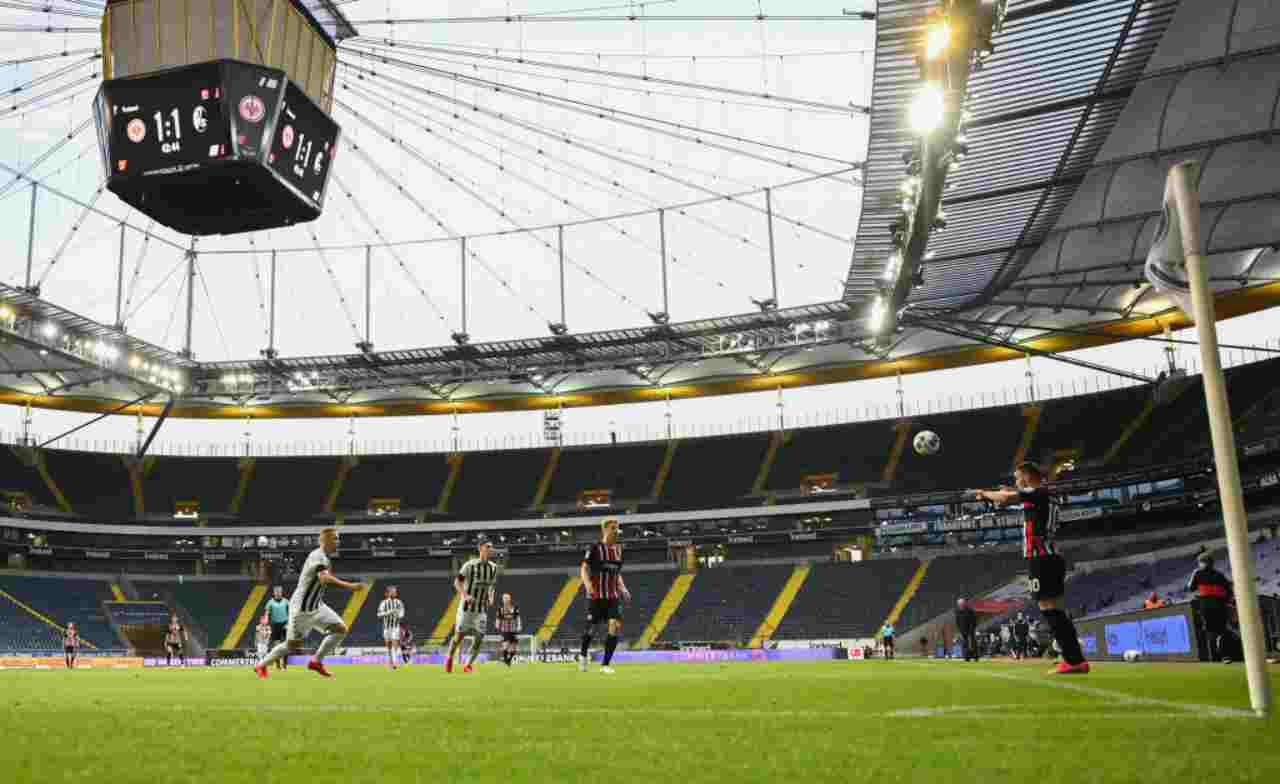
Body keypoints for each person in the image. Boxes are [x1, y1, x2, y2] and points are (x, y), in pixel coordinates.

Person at [971, 461, 1089, 675]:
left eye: (1017, 478)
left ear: (1026, 476)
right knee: (1055, 610)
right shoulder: (1043, 495)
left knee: (1049, 609)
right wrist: (1006, 494)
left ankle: (1073, 660)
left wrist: (985, 493)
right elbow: (1013, 498)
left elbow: (1007, 498)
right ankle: (1074, 657)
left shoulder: (1039, 492)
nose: (1016, 481)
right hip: (1050, 557)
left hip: (1041, 558)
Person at [254, 528, 364, 679]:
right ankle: (261, 665)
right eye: (335, 539)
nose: (337, 542)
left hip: (317, 606)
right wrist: (350, 586)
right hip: (301, 609)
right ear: (325, 540)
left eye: (338, 539)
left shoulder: (325, 558)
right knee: (292, 645)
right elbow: (324, 578)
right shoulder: (317, 556)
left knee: (340, 629)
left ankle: (316, 662)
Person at [579, 518, 630, 674]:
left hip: (612, 596)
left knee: (615, 625)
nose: (616, 532)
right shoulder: (594, 547)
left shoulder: (618, 550)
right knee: (591, 629)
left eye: (617, 528)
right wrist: (587, 584)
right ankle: (582, 655)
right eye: (614, 528)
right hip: (596, 595)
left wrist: (623, 588)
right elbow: (584, 568)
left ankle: (605, 665)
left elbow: (617, 573)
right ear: (605, 530)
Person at [446, 540, 501, 673]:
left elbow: (492, 586)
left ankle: (468, 665)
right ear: (480, 548)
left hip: (481, 609)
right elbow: (457, 583)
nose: (490, 549)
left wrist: (491, 597)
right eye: (488, 547)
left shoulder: (493, 567)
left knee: (480, 637)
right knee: (458, 637)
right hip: (466, 609)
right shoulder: (469, 565)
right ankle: (449, 658)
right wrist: (465, 595)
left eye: (491, 547)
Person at [1187, 552, 1233, 662]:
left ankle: (1214, 657)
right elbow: (1229, 591)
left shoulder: (1197, 573)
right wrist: (1225, 600)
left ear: (1202, 563)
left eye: (1199, 562)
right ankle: (1225, 656)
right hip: (1220, 605)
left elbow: (1190, 588)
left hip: (1206, 606)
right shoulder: (1219, 575)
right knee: (1222, 631)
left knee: (1211, 631)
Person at [377, 585, 406, 669]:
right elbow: (379, 614)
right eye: (392, 592)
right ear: (387, 593)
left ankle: (395, 663)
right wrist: (389, 612)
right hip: (386, 628)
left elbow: (402, 613)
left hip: (395, 627)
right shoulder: (383, 603)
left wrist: (399, 615)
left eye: (395, 592)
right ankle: (390, 662)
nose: (394, 593)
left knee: (395, 644)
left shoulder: (399, 602)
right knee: (388, 646)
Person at [264, 586, 291, 670]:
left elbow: (291, 612)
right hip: (275, 625)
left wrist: (289, 623)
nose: (278, 593)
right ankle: (278, 665)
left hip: (285, 624)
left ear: (281, 592)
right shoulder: (270, 602)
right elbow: (267, 613)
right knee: (276, 646)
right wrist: (266, 619)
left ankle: (285, 665)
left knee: (287, 645)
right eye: (276, 592)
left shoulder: (286, 601)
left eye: (279, 591)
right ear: (274, 593)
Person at [494, 593, 522, 667]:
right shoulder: (500, 609)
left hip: (514, 630)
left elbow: (518, 618)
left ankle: (508, 660)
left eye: (507, 598)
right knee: (505, 646)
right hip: (505, 630)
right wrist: (497, 626)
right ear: (502, 600)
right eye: (504, 598)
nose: (505, 599)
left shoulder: (515, 608)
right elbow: (498, 619)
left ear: (510, 599)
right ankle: (506, 660)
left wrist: (519, 625)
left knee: (514, 647)